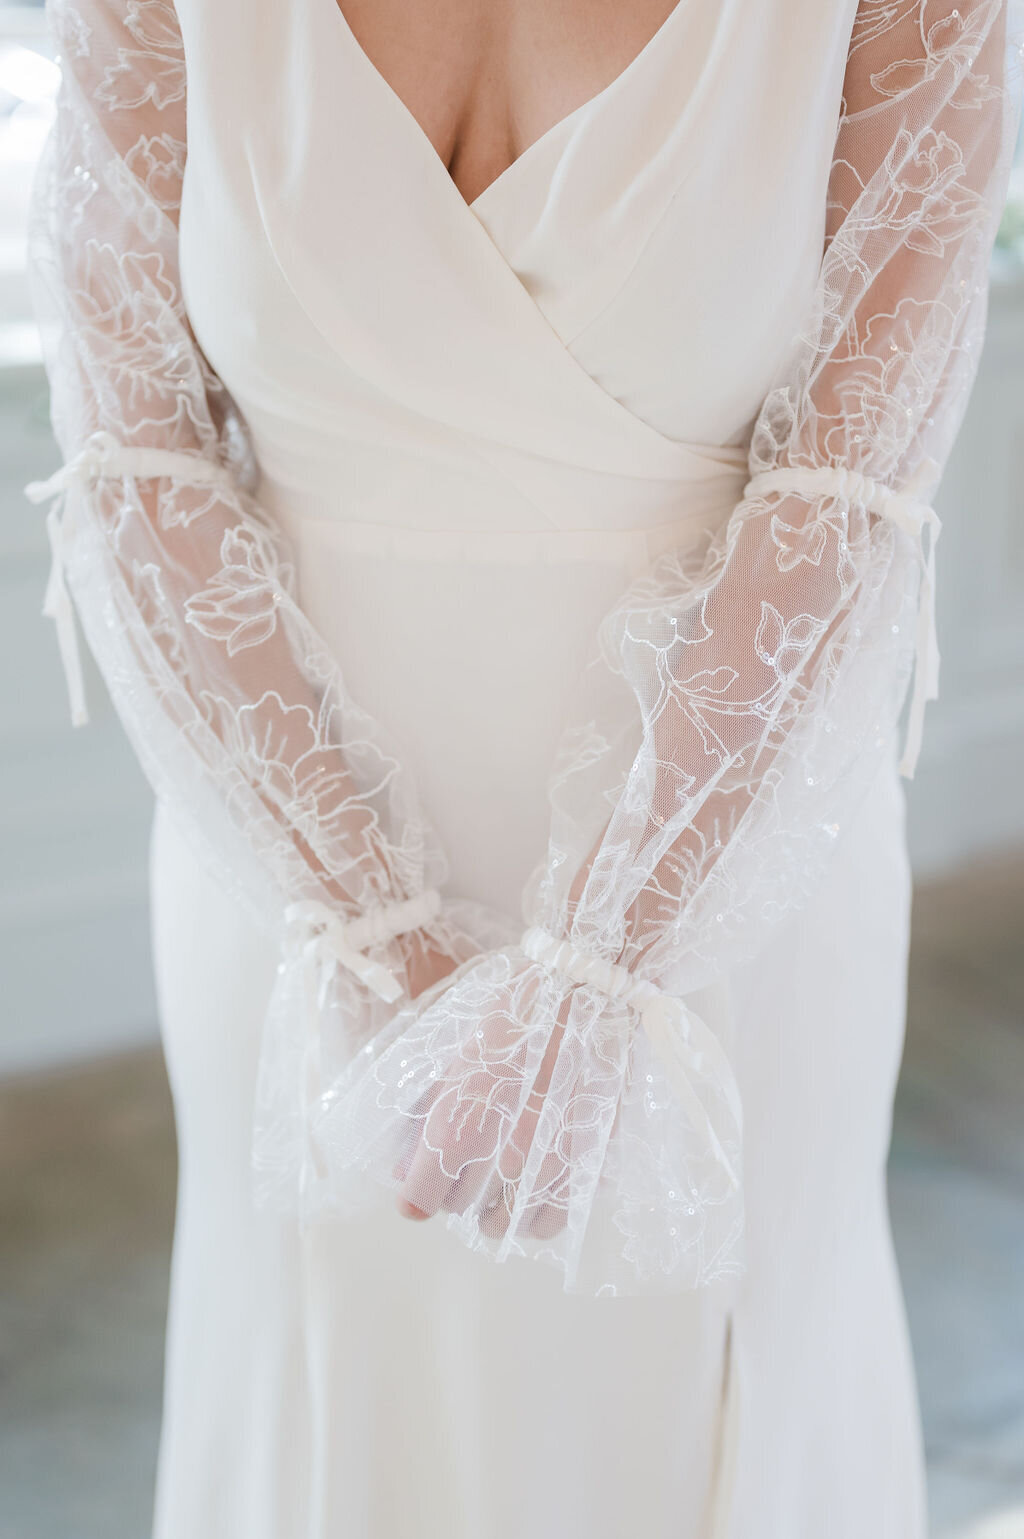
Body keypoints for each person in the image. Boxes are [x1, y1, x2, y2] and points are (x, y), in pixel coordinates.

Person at [25, 0, 1022, 1534]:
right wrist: (379, 942)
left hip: (717, 902)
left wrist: (596, 984)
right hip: (291, 898)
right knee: (323, 1415)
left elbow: (850, 490)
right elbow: (133, 457)